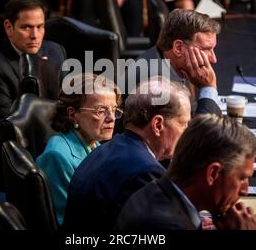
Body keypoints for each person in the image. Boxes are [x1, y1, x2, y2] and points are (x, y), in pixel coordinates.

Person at [62, 77, 200, 231]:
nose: (187, 132)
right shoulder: (146, 172)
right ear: (158, 124)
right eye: (183, 124)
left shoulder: (105, 149)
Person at [115, 114, 256, 230]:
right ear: (213, 174)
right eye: (242, 178)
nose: (245, 191)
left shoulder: (156, 190)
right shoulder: (166, 224)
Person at [36, 73, 121, 225]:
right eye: (100, 111)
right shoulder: (57, 156)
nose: (112, 118)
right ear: (73, 114)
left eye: (114, 110)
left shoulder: (93, 142)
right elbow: (68, 221)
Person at [0, 0, 59, 135]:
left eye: (40, 27)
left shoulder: (54, 52)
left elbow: (63, 102)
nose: (35, 35)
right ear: (9, 27)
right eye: (26, 27)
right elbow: (6, 123)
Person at [123, 9, 221, 115]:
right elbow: (204, 130)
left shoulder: (168, 61)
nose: (213, 59)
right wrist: (208, 87)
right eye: (205, 49)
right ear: (178, 48)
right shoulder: (158, 86)